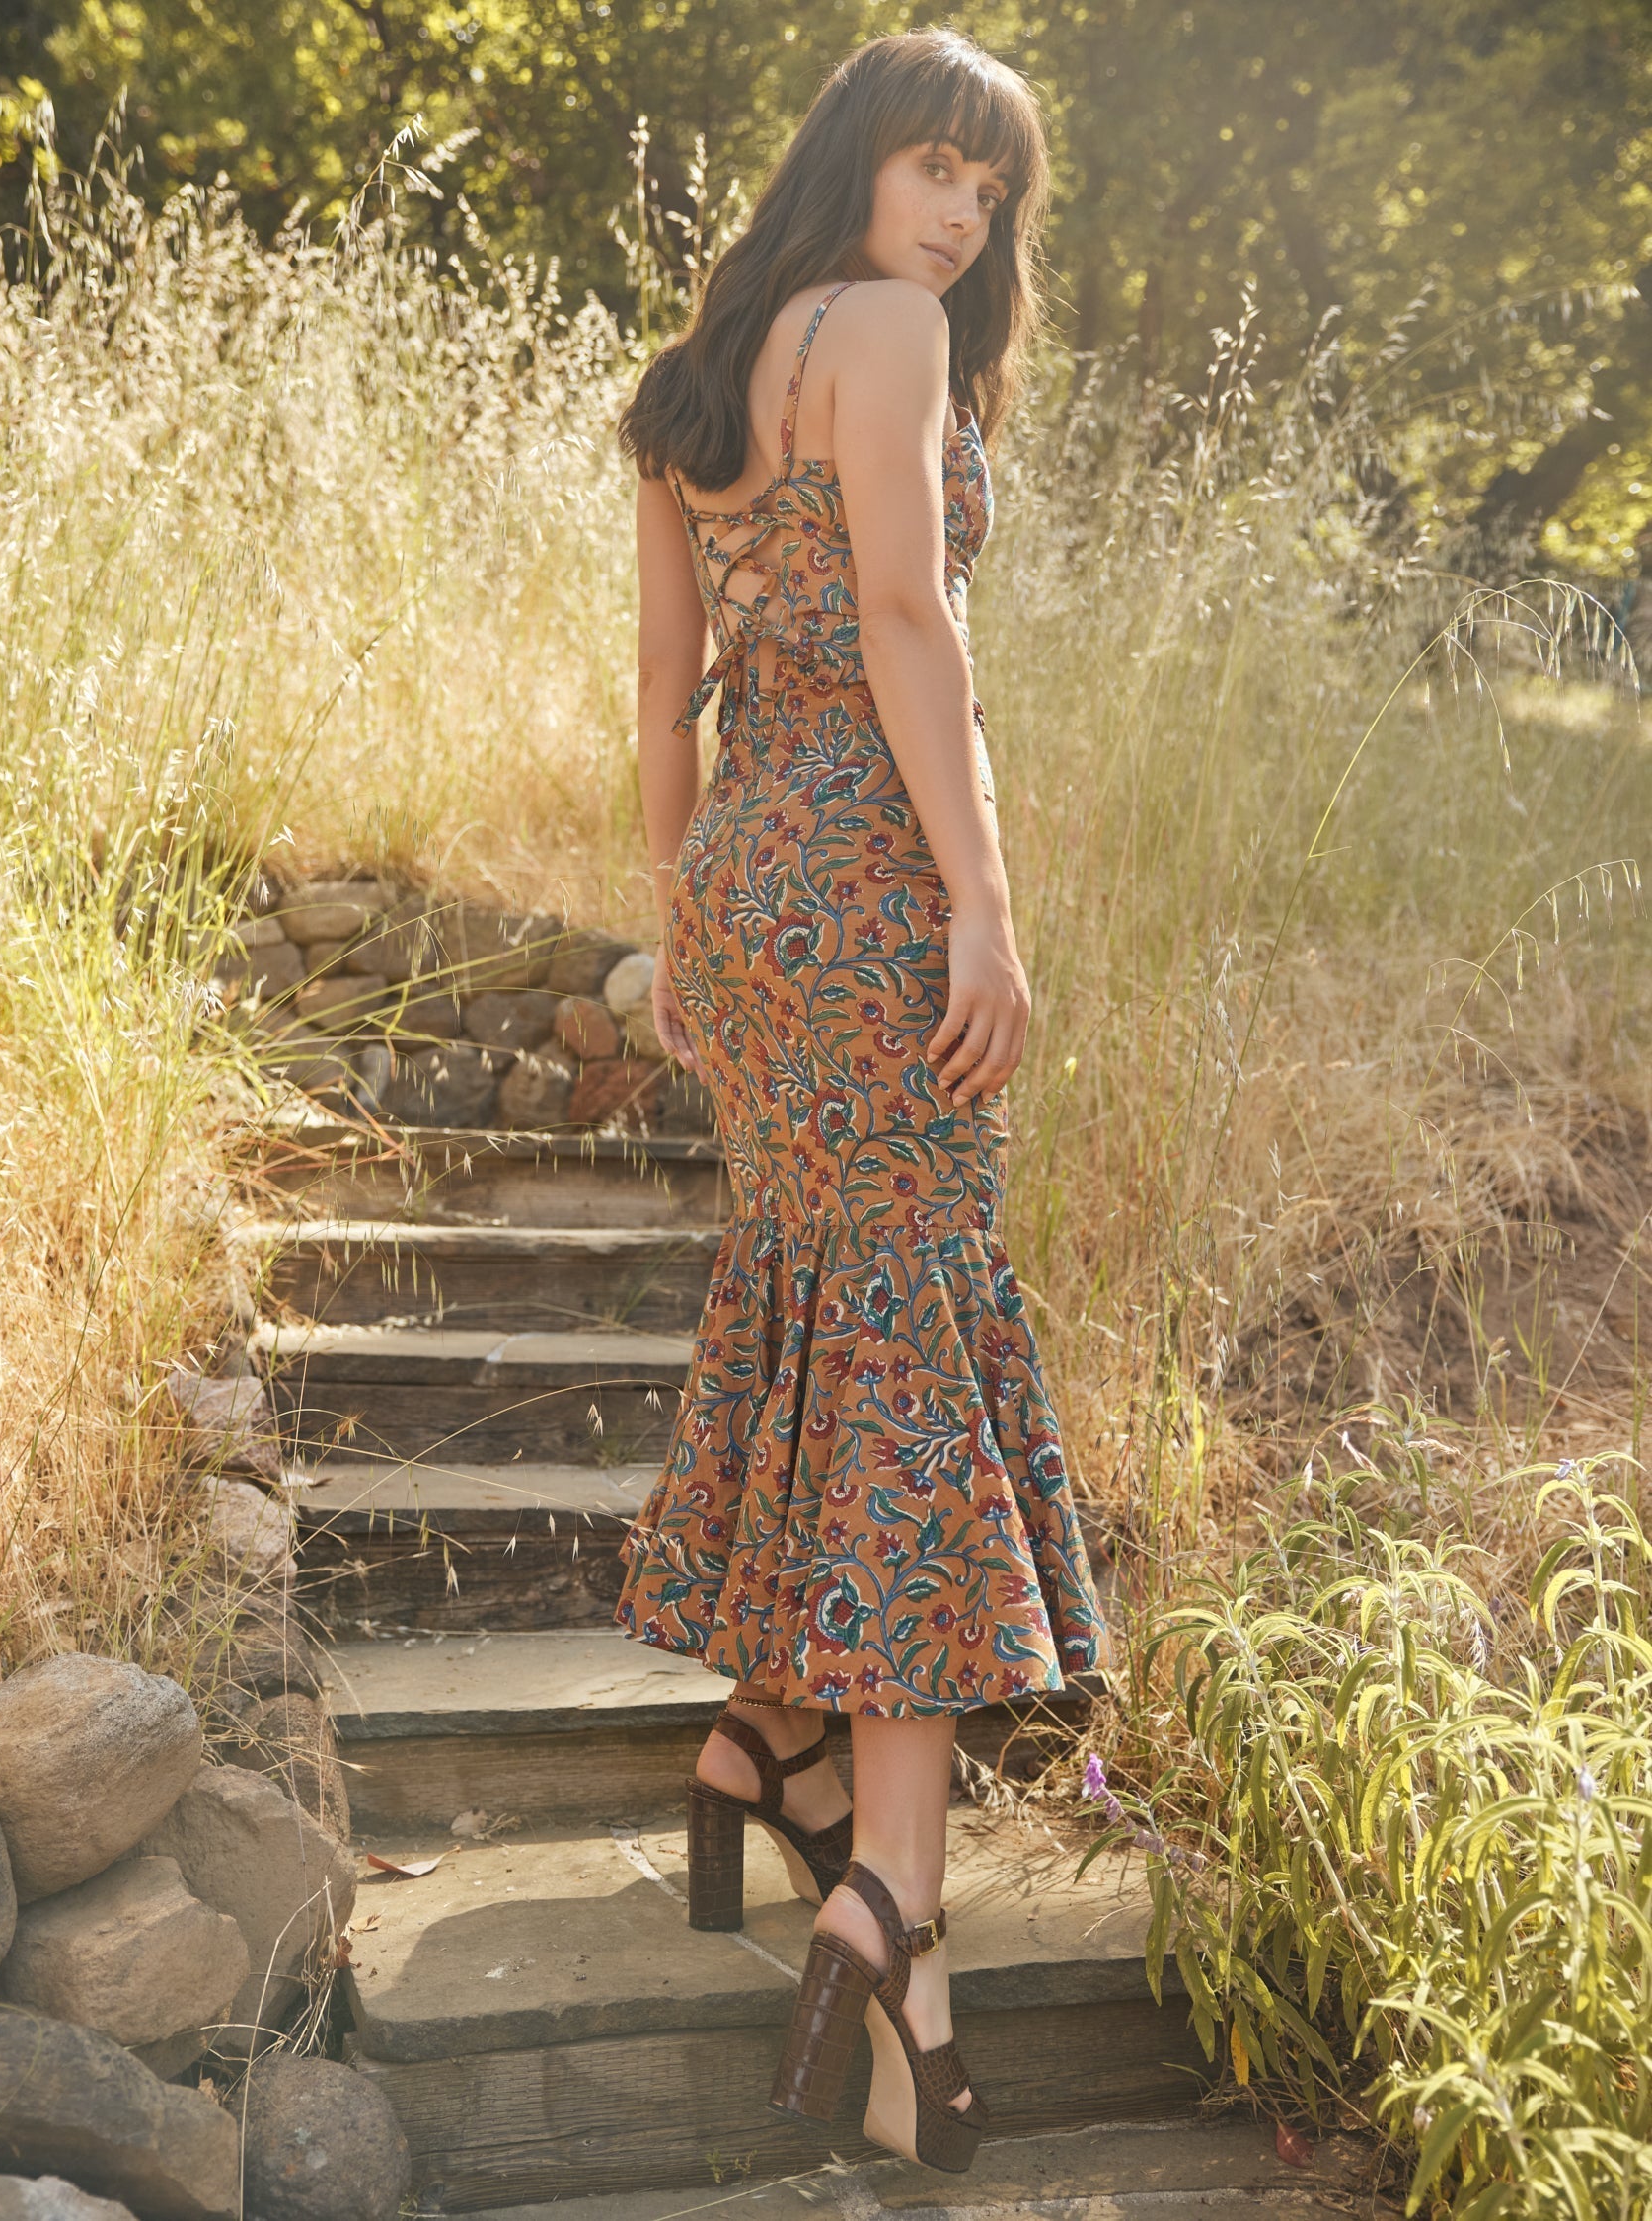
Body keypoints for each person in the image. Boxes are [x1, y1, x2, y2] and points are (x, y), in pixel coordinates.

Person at [613, 26, 1106, 2175]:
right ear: (853, 168)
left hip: (742, 872)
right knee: (908, 1339)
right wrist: (981, 911)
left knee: (835, 1295)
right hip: (874, 873)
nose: (958, 218)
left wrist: (682, 929)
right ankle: (890, 1896)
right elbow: (909, 614)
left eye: (985, 193)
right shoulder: (891, 332)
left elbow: (660, 690)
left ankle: (766, 1731)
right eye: (931, 169)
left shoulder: (697, 374)